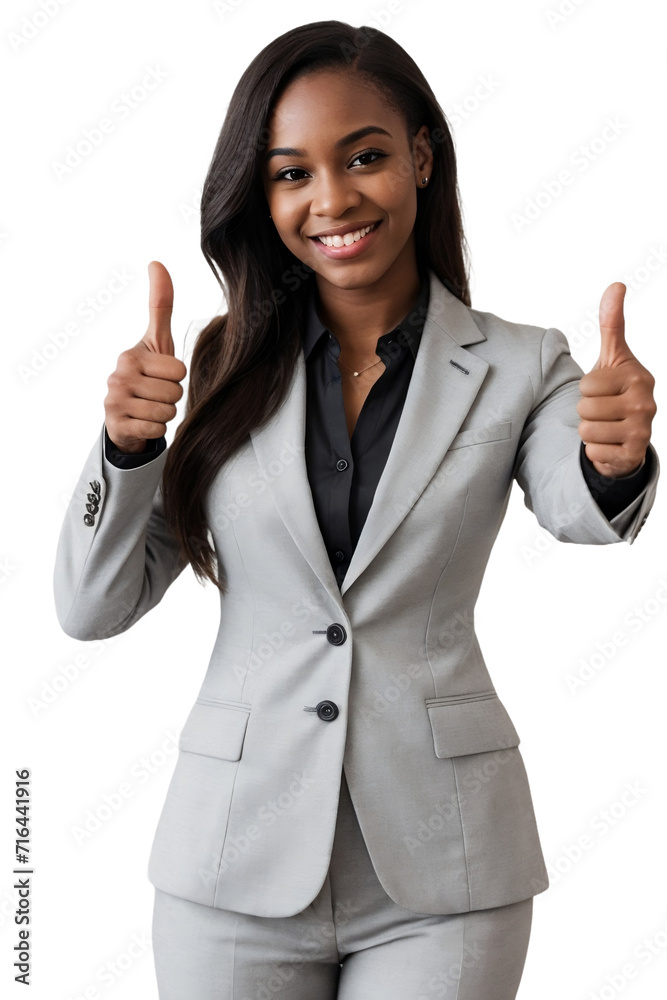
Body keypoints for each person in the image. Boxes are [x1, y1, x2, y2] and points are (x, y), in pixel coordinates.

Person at [53, 19, 658, 1000]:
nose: (331, 198)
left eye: (365, 156)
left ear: (420, 155)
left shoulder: (521, 364)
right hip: (232, 863)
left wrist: (613, 457)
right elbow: (91, 607)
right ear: (263, 194)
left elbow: (575, 500)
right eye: (292, 173)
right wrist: (126, 449)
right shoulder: (215, 365)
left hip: (445, 870)